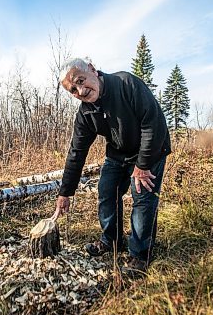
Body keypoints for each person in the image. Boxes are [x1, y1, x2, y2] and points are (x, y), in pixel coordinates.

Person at [51, 57, 171, 274]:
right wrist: (65, 192)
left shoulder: (127, 84)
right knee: (107, 190)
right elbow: (76, 152)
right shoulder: (86, 113)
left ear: (92, 70)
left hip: (151, 149)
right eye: (73, 90)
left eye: (80, 80)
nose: (80, 90)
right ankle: (111, 241)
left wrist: (142, 165)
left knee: (142, 197)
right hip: (118, 154)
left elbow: (153, 124)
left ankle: (140, 256)